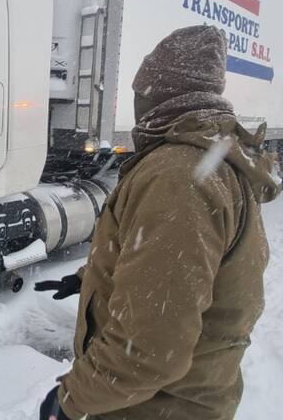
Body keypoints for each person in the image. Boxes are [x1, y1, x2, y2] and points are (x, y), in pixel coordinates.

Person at [36, 25, 280, 420]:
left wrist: (69, 401)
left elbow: (147, 350)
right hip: (180, 399)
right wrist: (93, 276)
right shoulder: (204, 159)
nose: (137, 104)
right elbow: (166, 265)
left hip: (152, 407)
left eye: (141, 93)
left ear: (162, 94)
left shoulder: (179, 176)